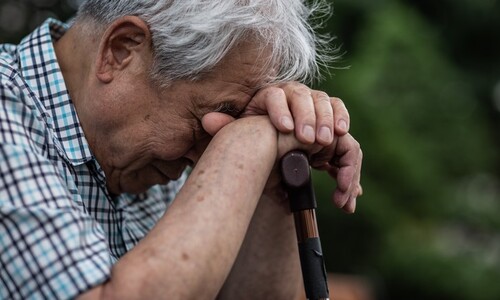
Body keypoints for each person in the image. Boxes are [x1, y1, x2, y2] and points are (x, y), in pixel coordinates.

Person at [0, 0, 363, 299]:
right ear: (120, 50)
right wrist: (245, 141)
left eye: (230, 124)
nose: (206, 154)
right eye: (212, 116)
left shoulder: (143, 147)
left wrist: (275, 149)